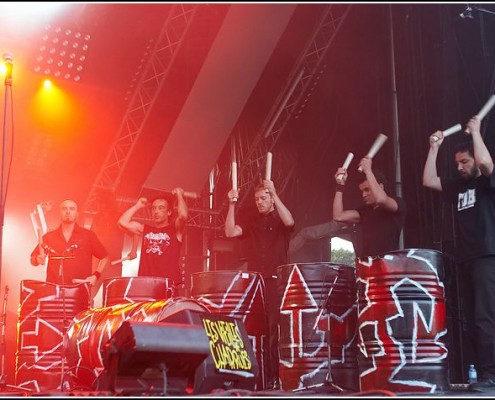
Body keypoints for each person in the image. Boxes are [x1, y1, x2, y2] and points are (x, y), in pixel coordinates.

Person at [423, 115, 495, 392]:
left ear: (475, 158)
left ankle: (490, 374)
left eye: (465, 162)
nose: (460, 167)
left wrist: (476, 132)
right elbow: (429, 180)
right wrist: (434, 147)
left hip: (487, 256)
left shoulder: (487, 181)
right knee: (472, 319)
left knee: (486, 317)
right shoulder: (459, 186)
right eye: (457, 164)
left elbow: (487, 163)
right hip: (466, 258)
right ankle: (482, 372)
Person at [225, 179, 295, 390]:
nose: (259, 202)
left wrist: (275, 193)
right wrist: (231, 204)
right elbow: (230, 232)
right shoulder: (253, 221)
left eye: (263, 198)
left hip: (275, 280)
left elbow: (290, 222)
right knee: (256, 329)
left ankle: (275, 378)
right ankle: (258, 377)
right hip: (256, 282)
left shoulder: (280, 218)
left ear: (272, 199)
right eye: (257, 199)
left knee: (274, 330)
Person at [332, 157, 406, 258]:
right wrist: (340, 185)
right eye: (362, 191)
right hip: (368, 267)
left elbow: (381, 199)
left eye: (367, 190)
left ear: (381, 187)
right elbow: (338, 216)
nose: (363, 195)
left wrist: (368, 171)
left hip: (388, 266)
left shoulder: (397, 202)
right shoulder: (365, 211)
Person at [117, 189, 188, 288]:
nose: (156, 212)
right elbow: (122, 222)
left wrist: (180, 195)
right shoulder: (145, 229)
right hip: (146, 284)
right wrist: (137, 206)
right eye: (153, 208)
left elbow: (183, 216)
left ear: (169, 212)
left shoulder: (175, 230)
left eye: (160, 208)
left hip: (167, 285)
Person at [30, 199, 109, 286]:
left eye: (72, 209)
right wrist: (37, 259)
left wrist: (96, 276)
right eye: (64, 209)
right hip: (54, 289)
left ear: (77, 213)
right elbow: (33, 259)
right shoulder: (49, 236)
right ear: (59, 213)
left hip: (79, 289)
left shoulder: (88, 235)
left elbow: (104, 257)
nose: (68, 212)